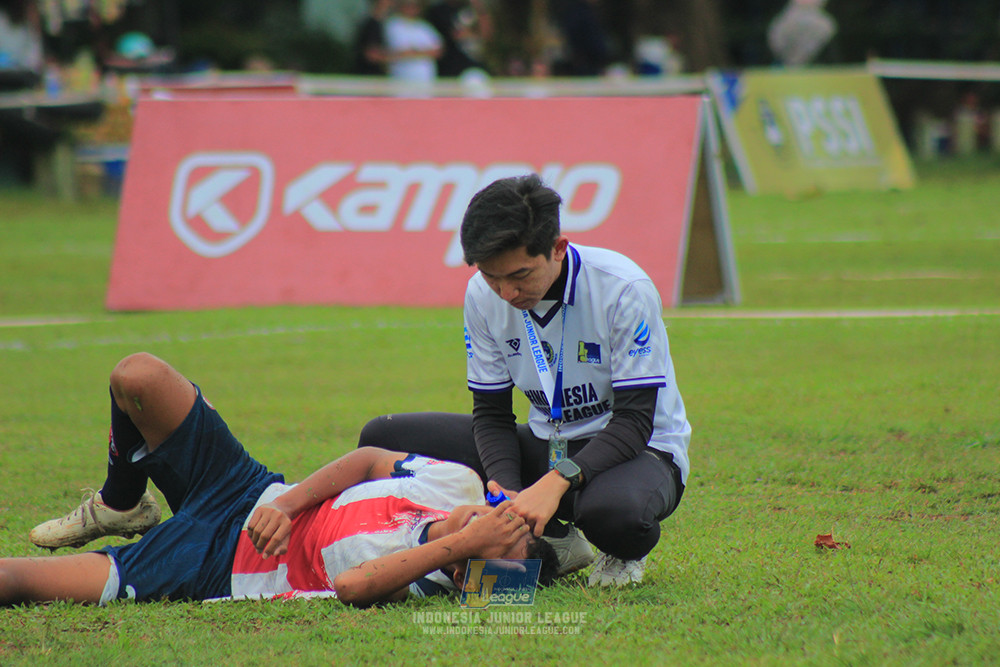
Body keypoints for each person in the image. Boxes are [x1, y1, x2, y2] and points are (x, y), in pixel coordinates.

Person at [4, 352, 555, 607]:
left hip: (215, 566)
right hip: (245, 489)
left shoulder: (419, 580)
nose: (488, 519)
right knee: (137, 376)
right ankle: (121, 503)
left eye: (492, 538)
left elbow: (352, 587)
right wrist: (288, 505)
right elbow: (366, 460)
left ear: (464, 572)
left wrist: (464, 548)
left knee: (20, 581)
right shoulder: (456, 482)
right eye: (502, 520)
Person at [359, 174, 691, 587]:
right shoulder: (482, 296)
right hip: (545, 444)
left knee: (615, 515)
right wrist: (510, 495)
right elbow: (492, 413)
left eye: (520, 275)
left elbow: (635, 422)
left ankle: (621, 554)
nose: (507, 293)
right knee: (384, 438)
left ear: (558, 248)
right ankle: (553, 540)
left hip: (634, 451)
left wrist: (555, 483)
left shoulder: (623, 289)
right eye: (491, 277)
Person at [383, 0, 442, 95]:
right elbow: (401, 52)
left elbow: (438, 51)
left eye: (414, 6)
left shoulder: (424, 27)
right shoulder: (393, 25)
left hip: (425, 81)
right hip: (402, 80)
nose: (411, 9)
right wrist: (423, 52)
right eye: (408, 5)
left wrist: (414, 52)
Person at [423, 0, 492, 77]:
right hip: (449, 64)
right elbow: (456, 34)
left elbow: (486, 34)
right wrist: (472, 33)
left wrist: (479, 7)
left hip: (471, 63)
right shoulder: (439, 10)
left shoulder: (468, 8)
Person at [353, 0, 394, 76]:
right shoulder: (371, 25)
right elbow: (371, 55)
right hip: (368, 77)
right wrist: (403, 56)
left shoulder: (382, 25)